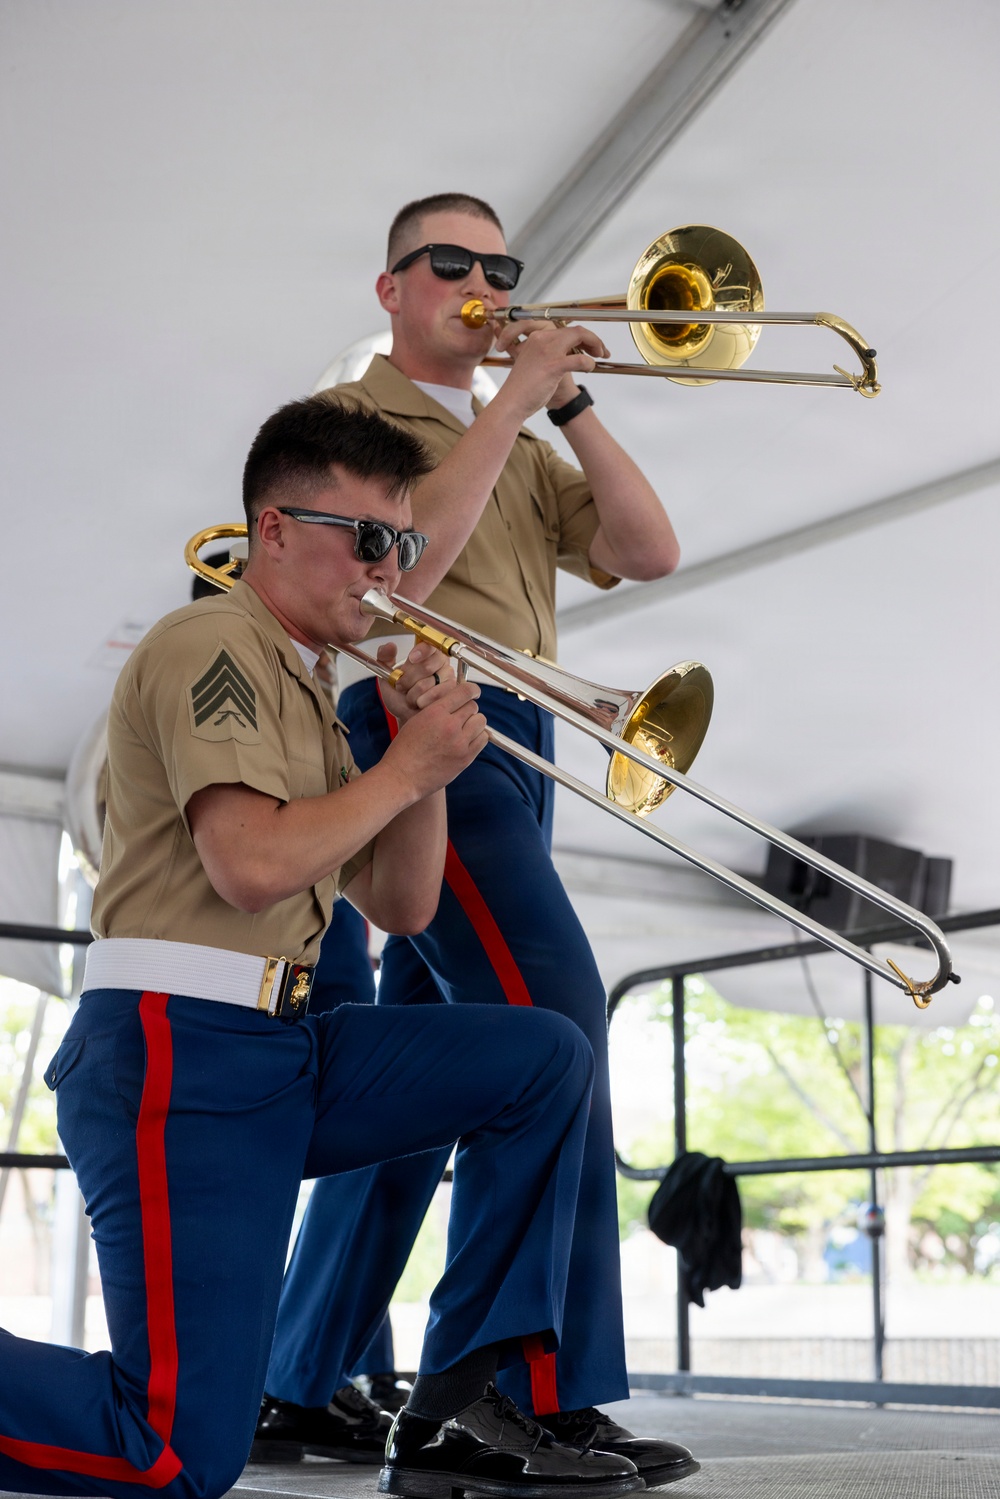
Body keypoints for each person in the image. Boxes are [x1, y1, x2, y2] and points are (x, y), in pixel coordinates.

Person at [0, 397, 661, 1499]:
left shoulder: (316, 685)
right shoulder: (211, 641)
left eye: (401, 543)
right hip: (180, 1055)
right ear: (270, 530)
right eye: (364, 540)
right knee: (171, 1455)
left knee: (544, 1053)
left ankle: (459, 1394)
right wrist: (401, 771)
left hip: (285, 1045)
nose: (389, 570)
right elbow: (250, 865)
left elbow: (401, 906)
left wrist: (424, 762)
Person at [259, 193, 694, 1487]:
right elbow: (399, 572)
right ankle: (501, 1388)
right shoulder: (359, 423)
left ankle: (297, 1373)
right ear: (389, 287)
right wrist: (511, 403)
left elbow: (649, 546)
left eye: (499, 264)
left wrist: (565, 401)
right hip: (422, 717)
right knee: (554, 1017)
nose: (480, 280)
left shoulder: (503, 429)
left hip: (523, 735)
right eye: (447, 260)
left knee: (430, 1067)